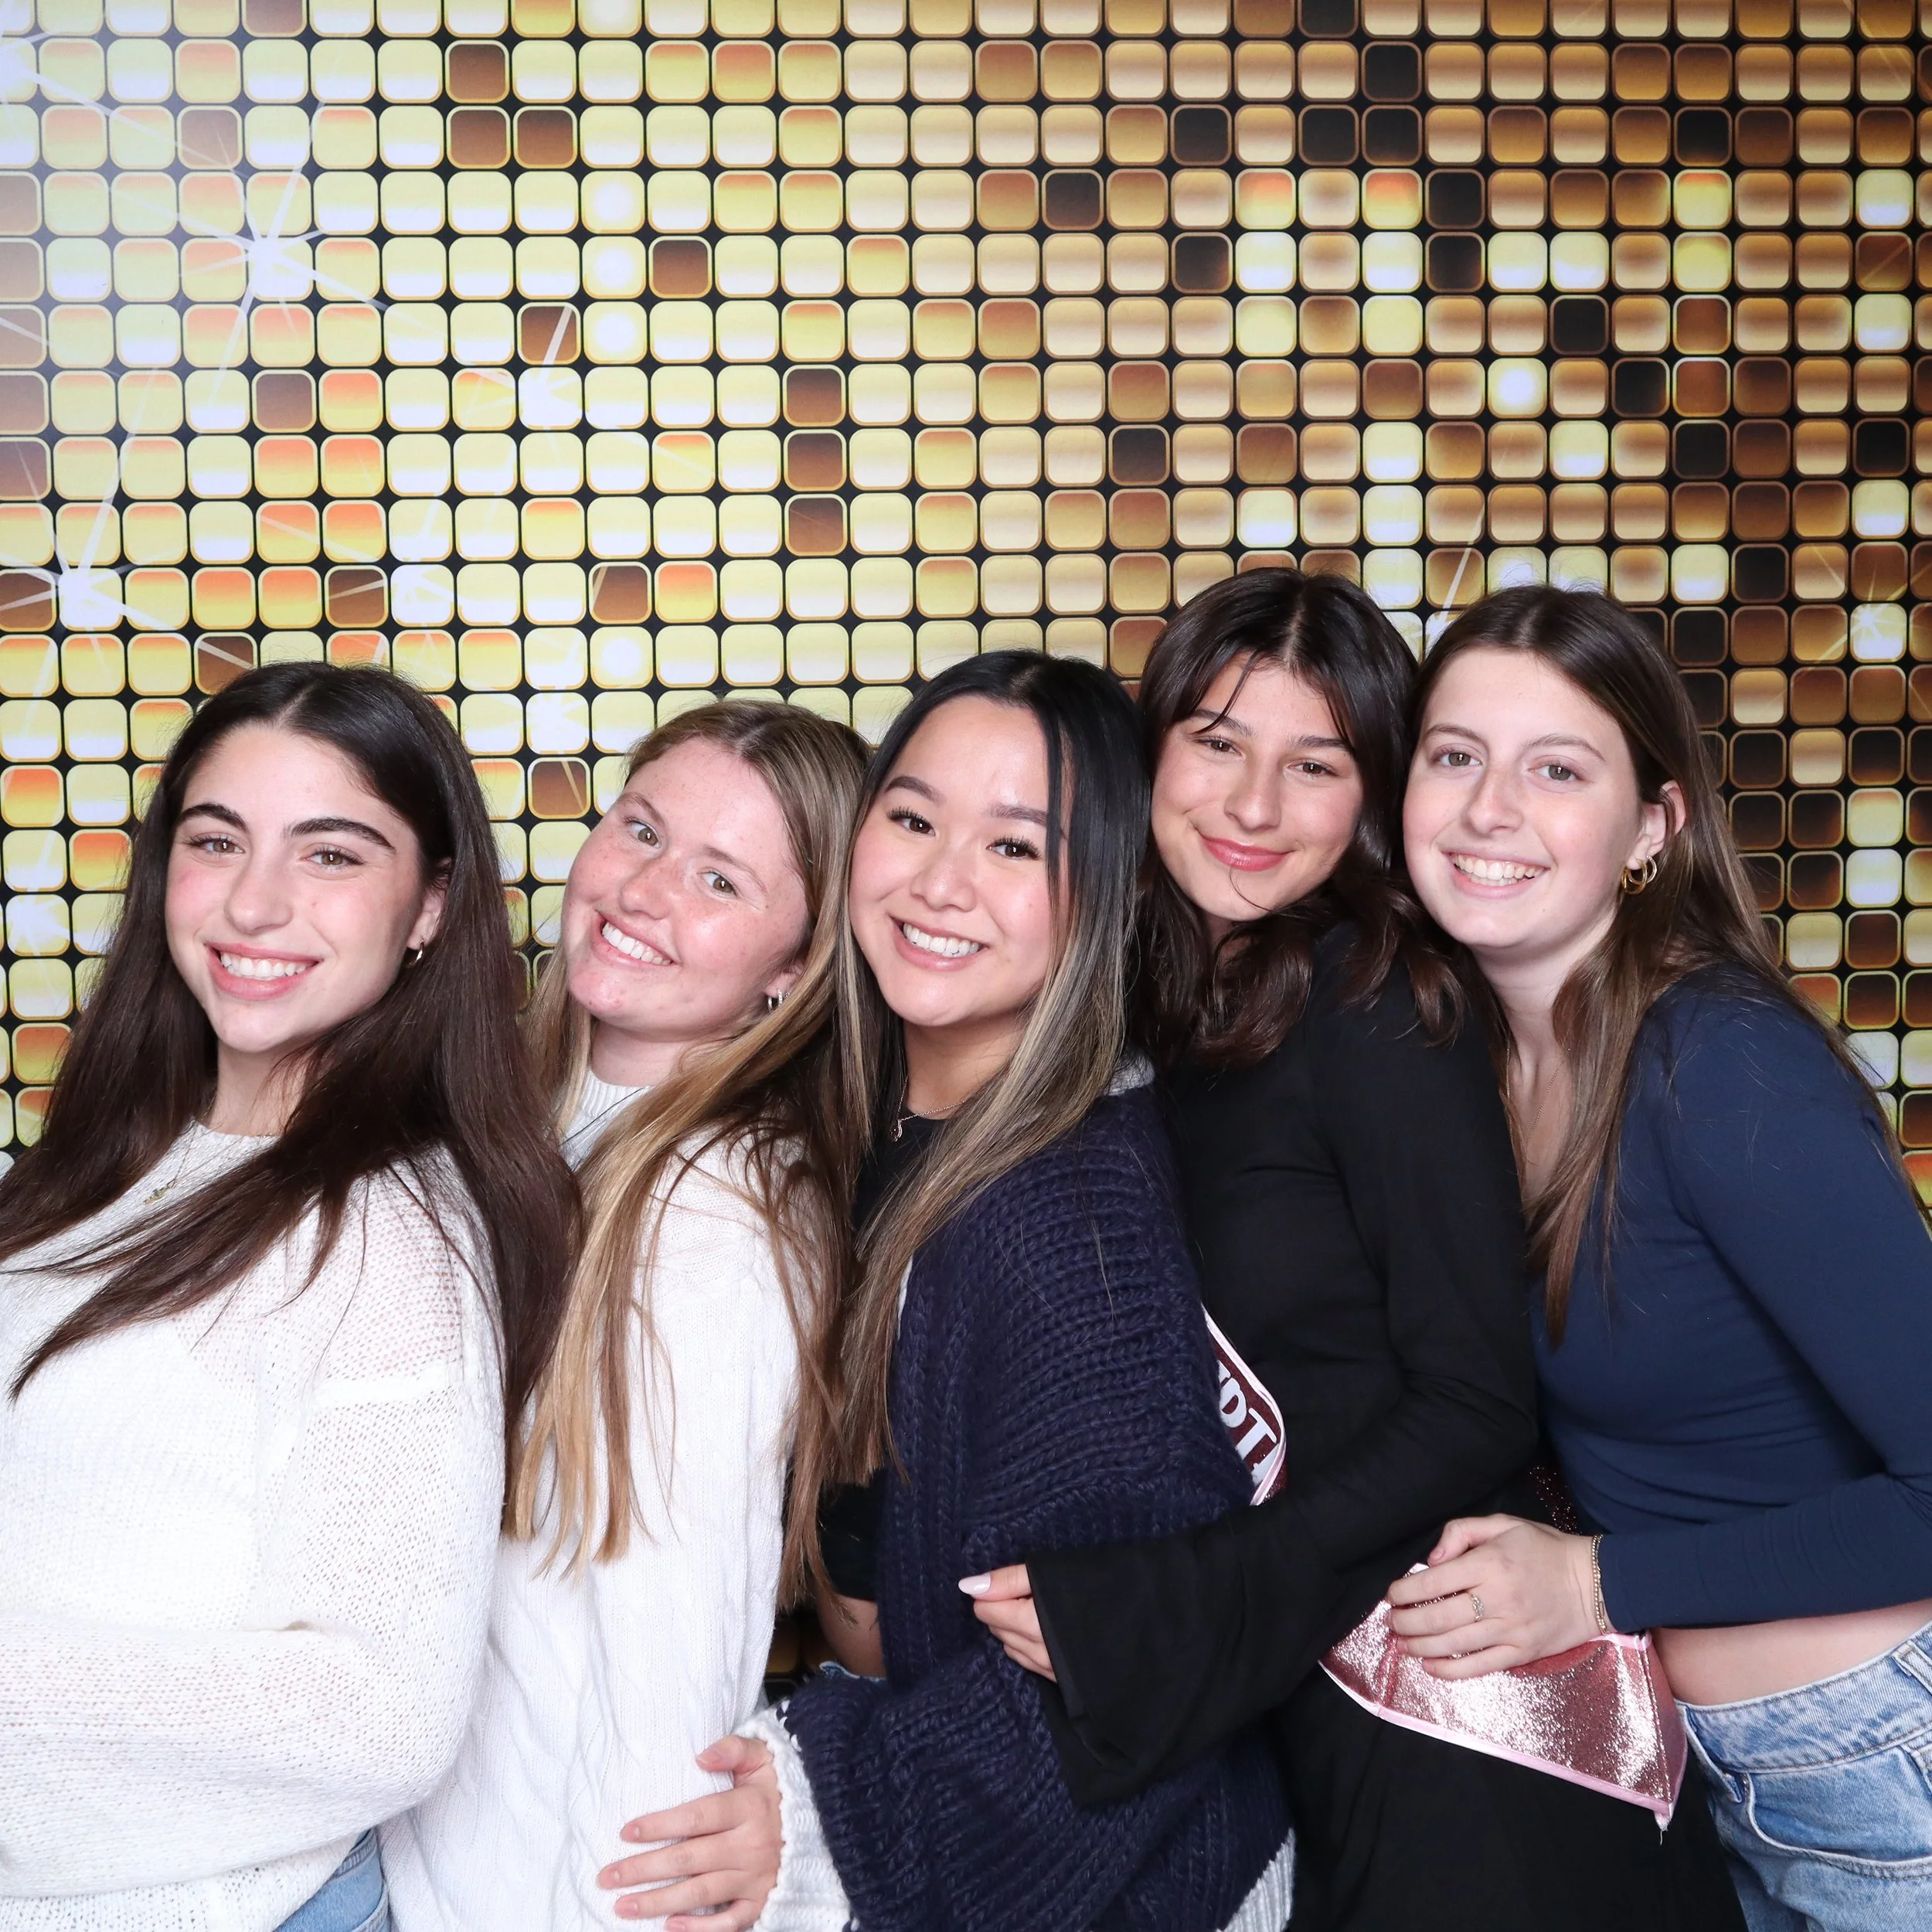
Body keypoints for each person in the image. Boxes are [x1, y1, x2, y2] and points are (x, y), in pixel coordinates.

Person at [961, 570, 1743, 1930]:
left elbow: (1477, 1397)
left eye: (1314, 763)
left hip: (1475, 1726)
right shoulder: (1135, 1014)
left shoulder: (1376, 1002)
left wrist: (1174, 1605)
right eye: (1216, 743)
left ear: (1373, 794)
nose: (1254, 806)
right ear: (1147, 751)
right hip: (1303, 1725)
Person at [596, 651, 1294, 1932]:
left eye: (1017, 849)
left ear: (1106, 894)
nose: (938, 883)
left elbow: (1124, 1686)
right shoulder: (865, 1127)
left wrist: (823, 1806)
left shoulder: (1073, 1221)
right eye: (912, 819)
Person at [1386, 586, 1932, 1931]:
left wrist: (1592, 1582)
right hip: (1724, 1774)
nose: (1488, 809)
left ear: (1650, 827)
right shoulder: (1476, 1059)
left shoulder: (1716, 1062)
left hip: (1886, 1760)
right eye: (1455, 756)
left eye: (1556, 770)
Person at [0, 662, 575, 1932]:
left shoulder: (386, 1236)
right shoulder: (105, 1163)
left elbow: (379, 1712)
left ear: (428, 907)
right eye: (218, 841)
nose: (256, 904)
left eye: (332, 854)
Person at [382, 702, 867, 1932]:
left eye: (720, 879)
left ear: (791, 972)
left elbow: (669, 1656)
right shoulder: (528, 1113)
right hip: (424, 1857)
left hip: (545, 1895)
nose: (645, 889)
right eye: (640, 829)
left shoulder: (717, 1212)